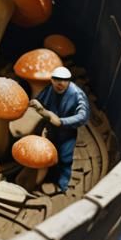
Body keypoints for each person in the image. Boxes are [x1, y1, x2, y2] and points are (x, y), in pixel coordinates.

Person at [31, 66, 90, 194]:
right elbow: (41, 103)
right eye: (57, 80)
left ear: (69, 81)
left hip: (66, 132)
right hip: (51, 129)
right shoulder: (49, 89)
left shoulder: (76, 94)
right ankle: (48, 178)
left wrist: (62, 121)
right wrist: (37, 106)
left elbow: (83, 116)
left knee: (65, 157)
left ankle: (62, 186)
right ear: (52, 80)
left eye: (64, 80)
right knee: (48, 153)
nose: (60, 83)